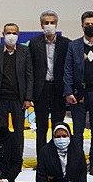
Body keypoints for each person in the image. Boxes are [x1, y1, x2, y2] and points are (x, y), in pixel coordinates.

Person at [63, 11, 93, 175]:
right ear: (82, 26)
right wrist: (68, 91)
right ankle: (78, 162)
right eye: (87, 24)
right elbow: (68, 70)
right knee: (78, 132)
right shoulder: (73, 46)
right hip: (78, 94)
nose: (90, 26)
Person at [29, 10, 71, 153]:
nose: (49, 25)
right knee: (41, 127)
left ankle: (57, 155)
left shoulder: (66, 43)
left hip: (58, 90)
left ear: (56, 24)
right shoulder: (34, 43)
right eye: (46, 23)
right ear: (41, 25)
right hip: (41, 89)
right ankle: (42, 158)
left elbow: (68, 69)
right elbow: (30, 70)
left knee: (58, 125)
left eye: (52, 23)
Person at [0, 23, 33, 154]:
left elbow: (29, 75)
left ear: (18, 35)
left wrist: (28, 98)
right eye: (8, 33)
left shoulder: (24, 51)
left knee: (18, 131)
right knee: (1, 131)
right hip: (0, 99)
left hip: (18, 99)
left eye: (14, 33)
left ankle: (17, 158)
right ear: (3, 34)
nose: (11, 35)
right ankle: (2, 157)